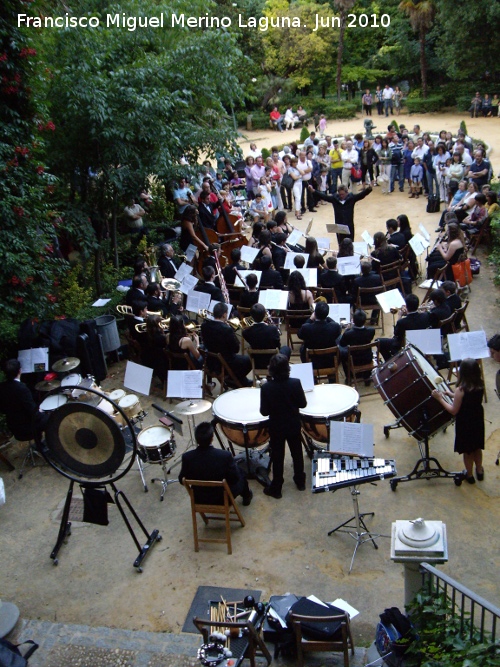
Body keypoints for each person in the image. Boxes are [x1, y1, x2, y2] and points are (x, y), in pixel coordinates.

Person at [260, 354, 307, 498]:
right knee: (297, 454)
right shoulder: (295, 383)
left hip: (276, 427)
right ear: (287, 368)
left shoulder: (266, 387)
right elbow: (303, 404)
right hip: (293, 424)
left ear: (271, 370)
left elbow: (264, 412)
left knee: (278, 457)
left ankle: (277, 487)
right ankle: (300, 482)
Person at [431, 359, 484, 484]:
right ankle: (480, 471)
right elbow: (468, 398)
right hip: (477, 420)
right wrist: (451, 394)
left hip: (465, 423)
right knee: (477, 448)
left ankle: (469, 475)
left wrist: (440, 399)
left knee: (468, 451)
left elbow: (453, 410)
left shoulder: (461, 390)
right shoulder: (480, 385)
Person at [179, 422, 253, 505]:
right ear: (212, 438)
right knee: (241, 473)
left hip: (199, 499)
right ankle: (246, 497)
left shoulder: (187, 457)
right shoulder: (225, 456)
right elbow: (234, 479)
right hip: (223, 499)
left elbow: (182, 480)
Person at [201, 302, 252, 386]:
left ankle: (236, 380)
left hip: (210, 361)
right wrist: (230, 330)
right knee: (249, 360)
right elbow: (236, 349)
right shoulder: (226, 329)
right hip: (224, 362)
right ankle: (236, 380)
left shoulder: (204, 326)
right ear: (224, 315)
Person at [0, 359, 50, 444]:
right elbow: (33, 413)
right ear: (20, 370)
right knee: (51, 419)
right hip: (26, 428)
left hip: (13, 426)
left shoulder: (1, 387)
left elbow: (3, 410)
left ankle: (40, 444)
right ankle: (47, 446)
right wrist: (42, 413)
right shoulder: (22, 389)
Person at [378, 294, 430, 361]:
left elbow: (396, 333)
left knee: (379, 342)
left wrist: (399, 317)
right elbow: (416, 319)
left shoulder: (402, 322)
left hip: (403, 345)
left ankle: (390, 361)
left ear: (407, 306)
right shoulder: (426, 316)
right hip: (420, 343)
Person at [298, 301, 341, 365]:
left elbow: (299, 334)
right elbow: (336, 326)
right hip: (330, 362)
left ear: (315, 313)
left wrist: (310, 319)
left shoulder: (306, 328)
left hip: (311, 362)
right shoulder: (335, 327)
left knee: (302, 348)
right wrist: (326, 317)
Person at [242, 303, 282, 368]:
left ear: (251, 316)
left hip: (257, 363)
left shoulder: (246, 332)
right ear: (264, 315)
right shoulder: (273, 329)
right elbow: (278, 346)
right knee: (286, 349)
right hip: (274, 362)